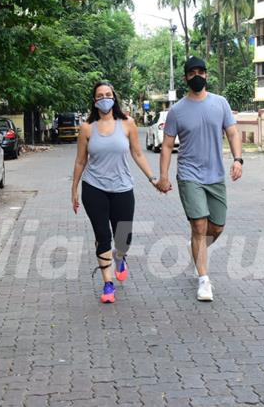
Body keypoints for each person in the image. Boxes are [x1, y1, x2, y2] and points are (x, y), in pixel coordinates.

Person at [156, 56, 243, 302]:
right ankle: (204, 280)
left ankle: (197, 249)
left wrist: (238, 159)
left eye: (201, 72)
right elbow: (166, 146)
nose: (197, 76)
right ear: (185, 77)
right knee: (199, 226)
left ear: (206, 75)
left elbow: (233, 132)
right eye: (192, 72)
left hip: (215, 175)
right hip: (189, 175)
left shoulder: (220, 103)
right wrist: (163, 177)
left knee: (217, 227)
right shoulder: (177, 111)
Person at [71, 81, 160, 303]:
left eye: (107, 94)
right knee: (102, 236)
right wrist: (74, 189)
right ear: (94, 101)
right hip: (94, 189)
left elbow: (138, 154)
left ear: (114, 97)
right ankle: (108, 283)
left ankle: (120, 257)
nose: (104, 99)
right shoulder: (87, 128)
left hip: (122, 188)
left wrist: (153, 178)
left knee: (123, 239)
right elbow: (80, 161)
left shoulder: (128, 124)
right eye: (99, 96)